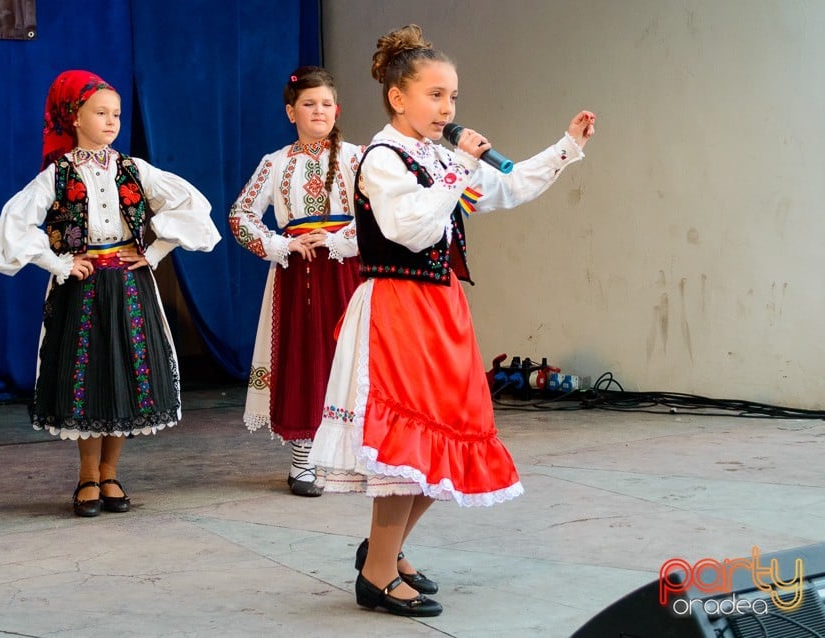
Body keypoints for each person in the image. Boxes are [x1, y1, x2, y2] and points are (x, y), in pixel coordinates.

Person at [308, 25, 596, 616]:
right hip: (397, 308)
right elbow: (407, 228)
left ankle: (383, 552)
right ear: (398, 98)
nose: (448, 108)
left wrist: (565, 146)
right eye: (435, 95)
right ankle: (377, 573)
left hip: (442, 307)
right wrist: (455, 171)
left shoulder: (442, 158)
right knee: (408, 442)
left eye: (453, 97)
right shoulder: (381, 160)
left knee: (456, 435)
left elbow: (507, 187)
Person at [0, 70, 221, 517]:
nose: (111, 121)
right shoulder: (59, 174)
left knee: (127, 376)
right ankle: (87, 476)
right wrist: (59, 263)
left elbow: (192, 206)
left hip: (130, 285)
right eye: (100, 112)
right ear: (74, 117)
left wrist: (155, 250)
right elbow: (12, 226)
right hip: (83, 289)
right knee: (88, 380)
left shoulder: (132, 169)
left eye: (116, 114)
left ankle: (110, 472)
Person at [229, 66, 365, 497]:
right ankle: (303, 461)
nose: (318, 110)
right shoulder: (276, 163)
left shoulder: (359, 158)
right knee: (306, 360)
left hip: (350, 270)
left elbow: (381, 212)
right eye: (308, 104)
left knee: (354, 359)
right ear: (291, 112)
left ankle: (355, 457)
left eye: (326, 104)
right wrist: (281, 245)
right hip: (300, 277)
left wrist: (341, 238)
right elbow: (240, 216)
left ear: (337, 109)